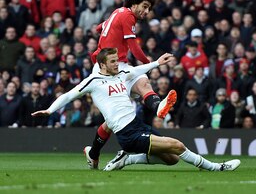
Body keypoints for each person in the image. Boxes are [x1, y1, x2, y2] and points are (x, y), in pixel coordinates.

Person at [32, 48, 240, 172]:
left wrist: (158, 62)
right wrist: (50, 111)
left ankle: (127, 159)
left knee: (172, 159)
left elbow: (139, 69)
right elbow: (69, 95)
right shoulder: (93, 81)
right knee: (177, 144)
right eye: (113, 61)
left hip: (137, 124)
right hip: (127, 133)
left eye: (117, 60)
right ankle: (216, 167)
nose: (117, 63)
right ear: (102, 65)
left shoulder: (121, 73)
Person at [90, 0, 177, 167]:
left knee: (142, 81)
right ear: (134, 3)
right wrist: (150, 63)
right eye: (144, 7)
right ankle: (93, 153)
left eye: (149, 9)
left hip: (117, 66)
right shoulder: (128, 16)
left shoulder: (117, 12)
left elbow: (99, 27)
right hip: (107, 70)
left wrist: (106, 33)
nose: (146, 12)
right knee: (113, 119)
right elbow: (135, 48)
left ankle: (159, 106)